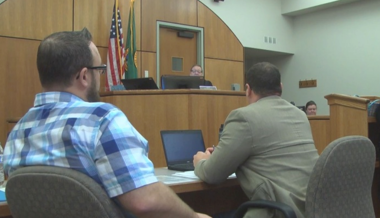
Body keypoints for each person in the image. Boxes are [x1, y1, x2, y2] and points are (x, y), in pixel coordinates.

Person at [3, 28, 210, 218]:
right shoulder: (102, 119)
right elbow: (146, 201)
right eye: (100, 69)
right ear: (84, 76)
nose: (101, 76)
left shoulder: (17, 133)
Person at [193, 62, 319, 218]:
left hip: (277, 212)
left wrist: (201, 161)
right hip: (311, 210)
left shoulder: (244, 117)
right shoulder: (300, 115)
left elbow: (212, 174)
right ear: (281, 86)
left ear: (248, 89)